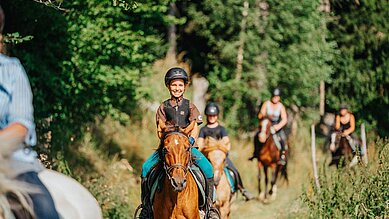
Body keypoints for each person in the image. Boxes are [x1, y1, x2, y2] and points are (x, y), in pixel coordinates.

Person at [0, 5, 60, 219]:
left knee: (46, 212)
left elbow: (20, 125)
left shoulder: (10, 70)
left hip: (10, 162)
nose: (173, 88)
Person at [139, 67, 218, 218]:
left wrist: (190, 141)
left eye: (180, 85)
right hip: (168, 147)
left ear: (185, 87)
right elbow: (159, 130)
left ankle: (209, 208)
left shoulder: (190, 106)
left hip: (187, 146)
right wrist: (166, 141)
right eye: (174, 85)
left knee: (207, 168)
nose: (177, 88)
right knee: (146, 167)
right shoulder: (163, 107)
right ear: (168, 86)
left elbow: (194, 128)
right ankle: (147, 209)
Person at [197, 102, 254, 201]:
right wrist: (206, 148)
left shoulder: (221, 129)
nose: (212, 117)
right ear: (207, 116)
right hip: (208, 157)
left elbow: (226, 142)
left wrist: (220, 148)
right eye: (210, 115)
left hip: (221, 156)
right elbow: (200, 143)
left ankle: (242, 189)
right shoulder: (203, 130)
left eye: (214, 115)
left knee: (234, 171)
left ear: (217, 116)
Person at [249, 88, 288, 165]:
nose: (275, 98)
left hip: (276, 126)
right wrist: (263, 115)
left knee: (283, 139)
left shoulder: (281, 106)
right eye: (274, 96)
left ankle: (282, 156)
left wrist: (277, 127)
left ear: (279, 97)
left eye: (276, 97)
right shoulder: (266, 104)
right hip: (266, 124)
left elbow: (284, 119)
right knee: (257, 135)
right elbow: (261, 115)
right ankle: (255, 153)